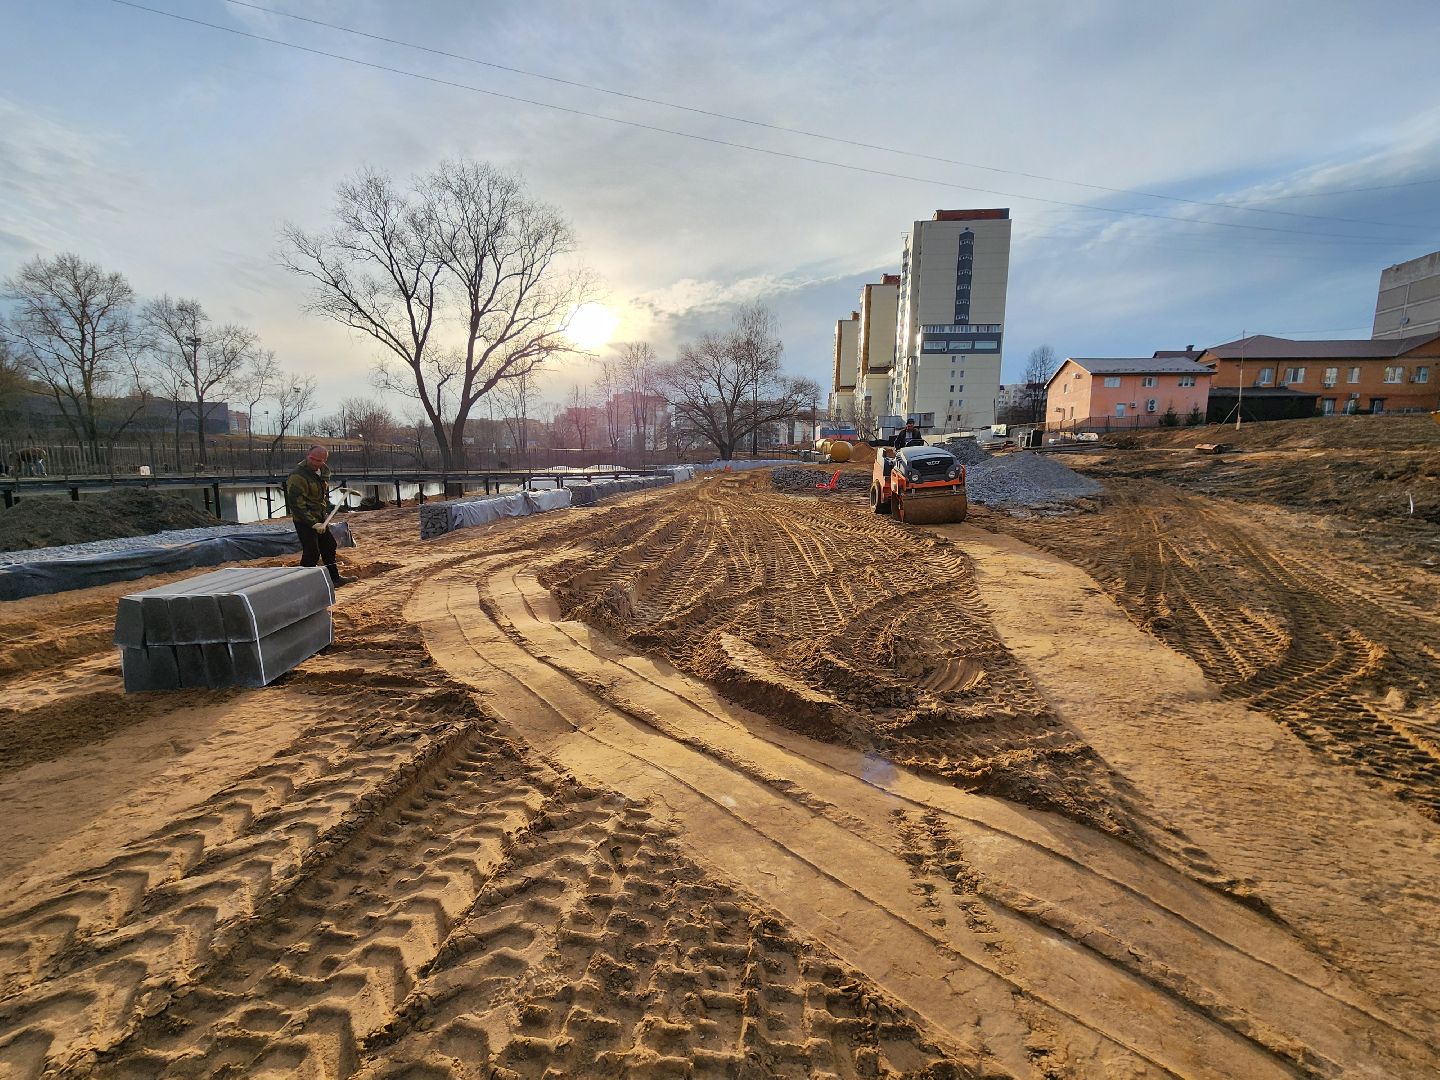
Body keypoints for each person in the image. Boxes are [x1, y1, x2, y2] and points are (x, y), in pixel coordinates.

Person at [285, 446, 355, 586]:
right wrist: (312, 523)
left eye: (318, 460)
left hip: (320, 517)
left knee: (329, 545)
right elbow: (296, 504)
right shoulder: (298, 475)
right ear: (308, 455)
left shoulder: (322, 473)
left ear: (324, 461)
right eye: (312, 459)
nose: (314, 462)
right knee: (312, 551)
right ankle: (303, 584)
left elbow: (320, 498)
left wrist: (327, 511)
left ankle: (334, 579)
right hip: (304, 520)